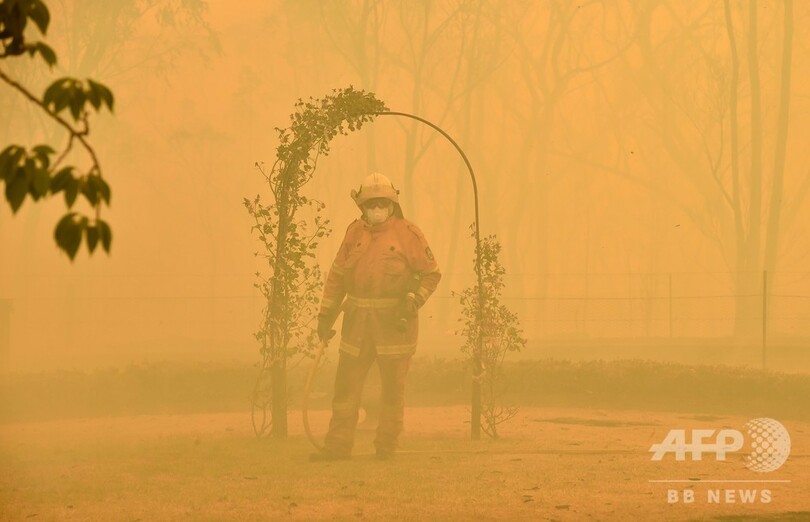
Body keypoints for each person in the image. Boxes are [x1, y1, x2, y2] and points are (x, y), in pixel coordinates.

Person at [311, 172, 441, 461]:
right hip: (356, 325)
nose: (377, 208)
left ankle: (386, 447)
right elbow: (337, 275)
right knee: (345, 390)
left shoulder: (409, 235)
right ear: (362, 206)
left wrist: (414, 300)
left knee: (393, 391)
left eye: (383, 203)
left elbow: (431, 274)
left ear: (393, 204)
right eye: (371, 204)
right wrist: (325, 315)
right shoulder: (354, 233)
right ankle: (337, 446)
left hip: (394, 327)